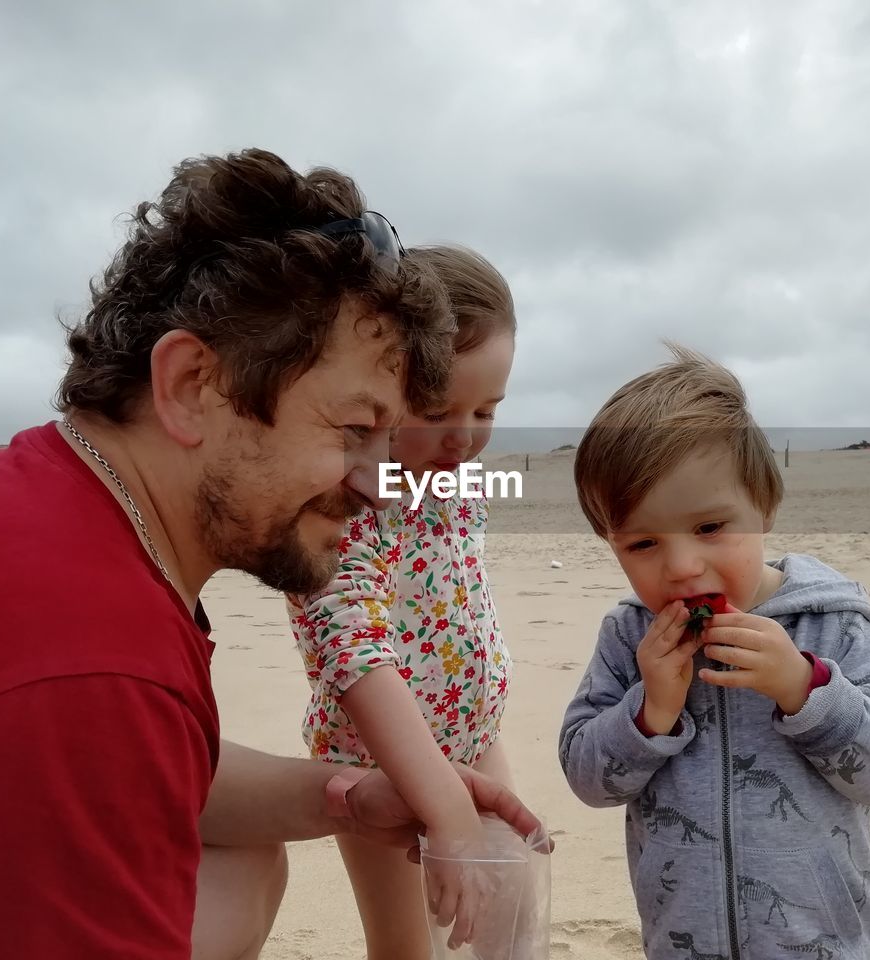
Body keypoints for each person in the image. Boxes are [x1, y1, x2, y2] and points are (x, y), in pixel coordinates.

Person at [0, 148, 544, 960]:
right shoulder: (95, 665)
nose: (381, 487)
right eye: (352, 430)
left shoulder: (58, 514)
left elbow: (163, 775)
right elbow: (103, 736)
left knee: (244, 864)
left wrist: (347, 798)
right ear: (192, 385)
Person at [557, 344, 870, 959]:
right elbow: (589, 780)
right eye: (643, 543)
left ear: (765, 507)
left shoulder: (830, 623)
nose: (681, 566)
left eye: (709, 529)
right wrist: (649, 711)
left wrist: (805, 688)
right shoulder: (631, 636)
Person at [286, 244, 519, 958]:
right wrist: (442, 807)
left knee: (505, 915)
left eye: (487, 408)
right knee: (405, 945)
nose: (465, 435)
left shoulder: (450, 479)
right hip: (378, 761)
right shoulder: (344, 504)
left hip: (477, 738)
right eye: (439, 408)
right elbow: (350, 647)